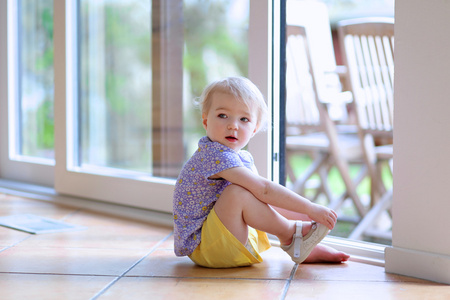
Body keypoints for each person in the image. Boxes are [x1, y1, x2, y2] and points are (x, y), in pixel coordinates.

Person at [173, 76, 349, 268]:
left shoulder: (241, 158)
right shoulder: (213, 155)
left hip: (223, 239)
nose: (233, 125)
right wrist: (309, 208)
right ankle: (291, 234)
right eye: (223, 115)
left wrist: (302, 214)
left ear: (254, 128)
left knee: (248, 192)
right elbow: (264, 189)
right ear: (206, 121)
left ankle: (300, 244)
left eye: (244, 119)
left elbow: (263, 198)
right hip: (206, 247)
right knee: (238, 193)